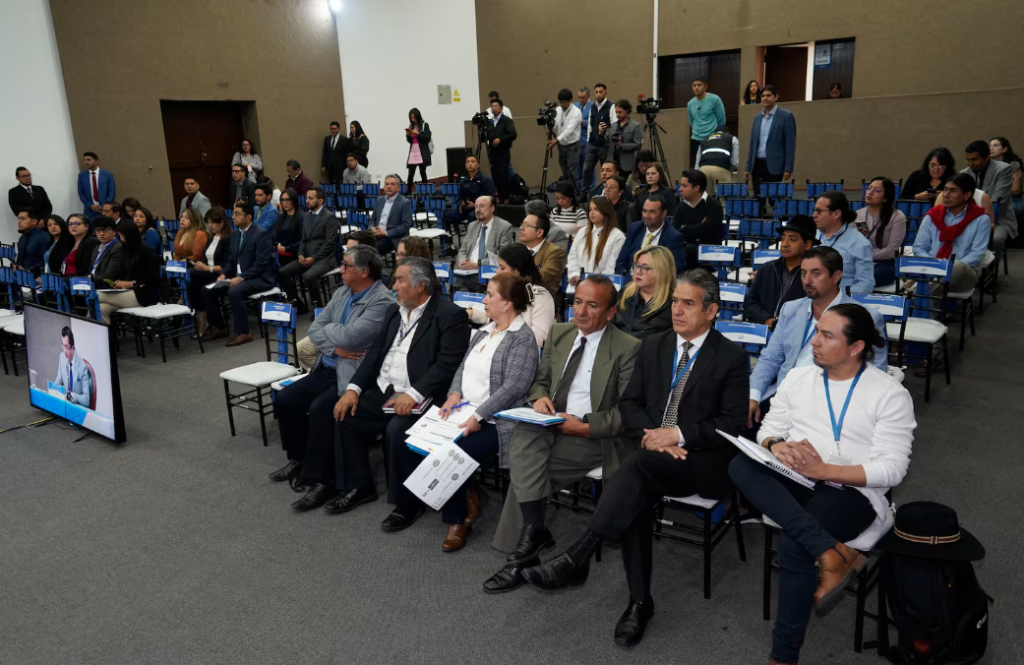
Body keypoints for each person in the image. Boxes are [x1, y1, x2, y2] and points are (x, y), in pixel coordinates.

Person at [518, 271, 749, 650]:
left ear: (711, 311)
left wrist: (677, 434)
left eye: (688, 303)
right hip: (649, 450)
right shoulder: (654, 345)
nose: (677, 310)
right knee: (636, 486)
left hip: (698, 458)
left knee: (634, 472)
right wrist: (653, 435)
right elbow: (630, 404)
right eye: (674, 301)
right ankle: (639, 602)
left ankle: (579, 558)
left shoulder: (731, 357)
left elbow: (732, 424)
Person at [732, 304, 915, 665]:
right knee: (740, 464)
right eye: (817, 331)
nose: (814, 341)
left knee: (794, 545)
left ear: (855, 347)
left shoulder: (889, 394)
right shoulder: (799, 378)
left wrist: (824, 469)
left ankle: (783, 656)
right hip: (798, 477)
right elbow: (770, 427)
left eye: (826, 335)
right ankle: (831, 552)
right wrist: (775, 445)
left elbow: (892, 470)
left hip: (854, 494)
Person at [482, 276, 641, 591]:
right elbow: (541, 380)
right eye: (577, 302)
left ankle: (522, 554)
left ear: (610, 312)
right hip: (550, 422)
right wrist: (539, 397)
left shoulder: (628, 347)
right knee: (523, 437)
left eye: (592, 305)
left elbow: (627, 412)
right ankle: (533, 537)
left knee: (526, 469)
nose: (580, 311)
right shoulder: (560, 332)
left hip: (592, 434)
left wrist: (584, 426)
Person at [292, 258, 470, 514]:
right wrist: (353, 389)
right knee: (345, 415)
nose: (393, 286)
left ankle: (408, 504)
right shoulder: (394, 311)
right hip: (384, 387)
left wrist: (414, 393)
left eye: (400, 280)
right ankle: (359, 486)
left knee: (397, 430)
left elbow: (446, 364)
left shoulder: (449, 315)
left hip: (421, 392)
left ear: (420, 285)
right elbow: (374, 354)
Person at [406, 273, 539, 551]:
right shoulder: (484, 330)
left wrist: (479, 416)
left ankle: (456, 521)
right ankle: (469, 493)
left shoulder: (523, 338)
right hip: (464, 409)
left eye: (490, 295)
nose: (484, 300)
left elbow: (514, 386)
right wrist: (454, 394)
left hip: (497, 420)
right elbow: (461, 366)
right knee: (418, 439)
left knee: (453, 453)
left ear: (507, 303)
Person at [270, 245, 394, 485]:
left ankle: (317, 475)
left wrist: (330, 330)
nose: (341, 270)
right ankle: (299, 458)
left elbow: (350, 337)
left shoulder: (382, 302)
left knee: (320, 409)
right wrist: (333, 347)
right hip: (329, 365)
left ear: (364, 271)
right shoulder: (343, 292)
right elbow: (316, 328)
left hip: (353, 374)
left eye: (346, 265)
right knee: (287, 399)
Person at [748, 246, 888, 432]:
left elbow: (875, 374)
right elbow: (771, 358)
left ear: (836, 276)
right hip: (784, 396)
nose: (807, 280)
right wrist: (753, 395)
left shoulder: (865, 317)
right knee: (736, 427)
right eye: (803, 273)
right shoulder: (791, 309)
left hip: (830, 404)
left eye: (816, 273)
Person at [201, 203, 277, 347]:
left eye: (237, 214)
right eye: (233, 213)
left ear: (248, 217)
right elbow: (231, 262)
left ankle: (244, 333)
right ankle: (220, 327)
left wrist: (241, 278)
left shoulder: (261, 234)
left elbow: (261, 264)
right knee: (207, 290)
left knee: (234, 292)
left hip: (260, 278)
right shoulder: (235, 235)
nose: (233, 217)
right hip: (239, 277)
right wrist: (224, 275)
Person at [913, 173, 991, 294]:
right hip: (931, 268)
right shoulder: (933, 215)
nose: (946, 195)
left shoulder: (981, 219)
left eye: (953, 191)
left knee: (956, 267)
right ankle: (923, 296)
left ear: (966, 195)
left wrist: (946, 267)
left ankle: (914, 293)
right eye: (945, 189)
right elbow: (919, 247)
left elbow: (976, 254)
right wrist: (934, 265)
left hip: (965, 273)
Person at [467, 244, 556, 348]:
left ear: (517, 271)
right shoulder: (509, 291)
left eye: (502, 268)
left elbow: (539, 339)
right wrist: (471, 313)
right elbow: (501, 315)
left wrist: (501, 343)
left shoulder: (540, 297)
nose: (497, 271)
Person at [743, 215, 816, 327]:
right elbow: (750, 302)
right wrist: (767, 320)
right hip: (765, 331)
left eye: (792, 239)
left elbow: (815, 310)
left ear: (807, 244)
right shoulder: (766, 269)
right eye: (783, 239)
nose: (785, 244)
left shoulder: (814, 276)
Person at [280, 186, 339, 311]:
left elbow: (329, 244)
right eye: (307, 198)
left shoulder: (329, 217)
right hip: (307, 257)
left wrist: (314, 258)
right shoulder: (307, 216)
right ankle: (298, 305)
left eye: (311, 198)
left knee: (308, 276)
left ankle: (318, 308)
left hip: (325, 259)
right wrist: (300, 254)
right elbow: (303, 239)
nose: (307, 201)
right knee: (282, 273)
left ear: (320, 201)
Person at [961, 140, 1015, 262]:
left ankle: (990, 268)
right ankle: (967, 266)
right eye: (968, 159)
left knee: (996, 240)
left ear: (987, 157)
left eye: (974, 159)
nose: (970, 164)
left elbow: (997, 201)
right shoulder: (964, 173)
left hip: (998, 219)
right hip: (969, 219)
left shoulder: (1004, 169)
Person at [97, 220, 161, 323]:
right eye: (120, 236)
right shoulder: (125, 250)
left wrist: (131, 283)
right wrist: (118, 283)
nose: (122, 239)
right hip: (126, 292)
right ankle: (104, 334)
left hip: (143, 295)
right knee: (100, 309)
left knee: (97, 295)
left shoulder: (146, 252)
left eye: (123, 236)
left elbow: (153, 279)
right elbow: (123, 273)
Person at [813, 191, 874, 294]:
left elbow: (865, 285)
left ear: (836, 214)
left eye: (819, 211)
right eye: (814, 210)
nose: (814, 215)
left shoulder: (859, 244)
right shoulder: (811, 235)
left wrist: (837, 296)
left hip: (840, 300)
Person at [611, 245, 675, 339]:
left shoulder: (672, 304)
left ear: (661, 271)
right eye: (637, 266)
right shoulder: (624, 294)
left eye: (645, 268)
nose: (638, 271)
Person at [744, 85, 797, 197]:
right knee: (758, 199)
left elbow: (790, 144)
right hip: (757, 165)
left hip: (775, 166)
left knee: (774, 200)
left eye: (768, 95)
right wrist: (748, 167)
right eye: (763, 96)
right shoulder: (757, 118)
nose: (765, 98)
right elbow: (753, 144)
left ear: (776, 97)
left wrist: (788, 168)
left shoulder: (786, 116)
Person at [456, 195, 516, 292]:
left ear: (492, 208)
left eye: (482, 206)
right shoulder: (472, 226)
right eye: (476, 207)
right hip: (468, 270)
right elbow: (463, 250)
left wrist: (478, 265)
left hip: (487, 271)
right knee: (458, 279)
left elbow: (503, 256)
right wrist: (462, 262)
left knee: (457, 279)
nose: (478, 210)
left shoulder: (504, 227)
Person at [188, 207, 233, 334]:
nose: (210, 225)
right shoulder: (211, 238)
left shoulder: (229, 238)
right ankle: (202, 316)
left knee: (203, 287)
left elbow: (227, 265)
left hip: (222, 274)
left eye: (213, 222)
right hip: (209, 272)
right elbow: (208, 259)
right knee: (192, 278)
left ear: (222, 222)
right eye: (209, 222)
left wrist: (207, 268)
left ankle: (216, 325)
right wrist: (201, 265)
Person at [615, 197, 686, 276]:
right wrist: (627, 280)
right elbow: (621, 261)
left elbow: (675, 270)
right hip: (631, 279)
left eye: (652, 212)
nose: (647, 216)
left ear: (664, 213)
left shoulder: (673, 237)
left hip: (656, 281)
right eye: (644, 211)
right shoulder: (635, 229)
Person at [855, 177, 906, 287]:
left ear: (886, 198)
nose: (870, 192)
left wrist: (867, 255)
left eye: (877, 190)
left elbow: (892, 250)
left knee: (869, 276)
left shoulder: (897, 217)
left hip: (885, 262)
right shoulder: (859, 215)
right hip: (860, 260)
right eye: (869, 188)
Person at [568, 197, 626, 283]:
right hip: (579, 281)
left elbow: (611, 266)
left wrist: (596, 283)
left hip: (603, 284)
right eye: (590, 209)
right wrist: (574, 274)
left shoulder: (617, 236)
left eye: (596, 209)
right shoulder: (582, 232)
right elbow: (573, 257)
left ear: (606, 211)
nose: (592, 213)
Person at [674, 169, 724, 268]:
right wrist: (698, 227)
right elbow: (675, 232)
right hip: (685, 253)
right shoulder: (681, 207)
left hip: (709, 254)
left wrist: (684, 228)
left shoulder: (714, 206)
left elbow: (707, 232)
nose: (680, 189)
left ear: (696, 188)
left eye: (684, 186)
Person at [517, 208, 566, 298]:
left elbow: (542, 278)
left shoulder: (555, 252)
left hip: (541, 299)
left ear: (539, 232)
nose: (521, 228)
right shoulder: (519, 249)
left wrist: (515, 276)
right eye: (522, 224)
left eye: (527, 225)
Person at [444, 154, 495, 229]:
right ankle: (448, 234)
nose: (470, 164)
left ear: (478, 165)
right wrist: (461, 204)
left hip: (481, 208)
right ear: (465, 166)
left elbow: (491, 197)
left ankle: (473, 235)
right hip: (466, 208)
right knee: (447, 216)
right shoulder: (464, 181)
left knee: (471, 216)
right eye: (468, 162)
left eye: (473, 162)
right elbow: (459, 196)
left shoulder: (485, 180)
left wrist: (475, 205)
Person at [687, 77, 727, 168]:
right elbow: (691, 121)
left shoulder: (715, 99)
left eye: (699, 85)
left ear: (705, 87)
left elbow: (721, 120)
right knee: (698, 165)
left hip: (712, 137)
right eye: (694, 85)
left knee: (712, 164)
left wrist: (716, 133)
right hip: (696, 138)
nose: (696, 88)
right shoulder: (690, 104)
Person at [370, 175, 414, 255]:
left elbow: (406, 225)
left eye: (392, 184)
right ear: (384, 187)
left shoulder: (404, 203)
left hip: (392, 237)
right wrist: (372, 228)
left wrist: (386, 233)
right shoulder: (380, 200)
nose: (389, 187)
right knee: (358, 244)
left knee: (372, 250)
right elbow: (373, 219)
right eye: (387, 184)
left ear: (398, 188)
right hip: (376, 234)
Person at [582, 83, 615, 191]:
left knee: (605, 171)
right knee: (587, 168)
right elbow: (590, 125)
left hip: (604, 145)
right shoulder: (593, 107)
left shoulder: (611, 106)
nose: (598, 94)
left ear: (605, 93)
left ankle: (606, 191)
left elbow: (614, 125)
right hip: (592, 144)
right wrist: (589, 140)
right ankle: (584, 192)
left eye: (601, 92)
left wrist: (605, 131)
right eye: (596, 92)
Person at [549, 88, 583, 189]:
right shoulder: (558, 110)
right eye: (560, 102)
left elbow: (569, 130)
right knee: (564, 170)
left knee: (572, 172)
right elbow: (555, 125)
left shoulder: (576, 112)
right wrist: (549, 123)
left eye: (563, 102)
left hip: (573, 145)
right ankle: (568, 191)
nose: (561, 105)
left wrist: (556, 140)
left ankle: (575, 193)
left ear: (570, 100)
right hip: (561, 145)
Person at [695, 126, 740, 197]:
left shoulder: (704, 140)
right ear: (727, 132)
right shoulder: (731, 138)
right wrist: (729, 171)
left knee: (704, 197)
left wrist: (697, 175)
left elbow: (697, 162)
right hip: (721, 168)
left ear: (714, 133)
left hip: (704, 169)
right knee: (723, 198)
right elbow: (735, 161)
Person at [56, 326, 94, 408]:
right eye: (63, 346)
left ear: (72, 348)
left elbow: (86, 400)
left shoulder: (82, 367)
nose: (64, 351)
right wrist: (52, 390)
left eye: (67, 347)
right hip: (65, 406)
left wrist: (71, 396)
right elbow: (58, 382)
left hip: (77, 409)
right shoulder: (62, 357)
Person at [487, 99, 517, 202]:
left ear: (501, 108)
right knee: (495, 174)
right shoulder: (490, 122)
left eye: (496, 106)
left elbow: (513, 134)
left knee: (504, 173)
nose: (494, 108)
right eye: (492, 106)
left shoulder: (506, 120)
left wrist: (500, 139)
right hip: (493, 152)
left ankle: (506, 196)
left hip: (503, 151)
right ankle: (499, 195)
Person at [605, 100, 642, 176]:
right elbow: (605, 141)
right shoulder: (612, 125)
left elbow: (638, 145)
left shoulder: (635, 126)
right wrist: (601, 133)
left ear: (627, 111)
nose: (618, 115)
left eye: (620, 112)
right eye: (616, 112)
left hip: (626, 163)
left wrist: (622, 145)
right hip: (612, 161)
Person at [990, 136, 1023, 218]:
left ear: (1004, 149)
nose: (991, 148)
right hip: (993, 200)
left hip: (1012, 200)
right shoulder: (988, 166)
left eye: (995, 145)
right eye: (990, 146)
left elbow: (1016, 190)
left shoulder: (1013, 165)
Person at [77, 152, 116, 221]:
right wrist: (90, 205)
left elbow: (111, 192)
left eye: (88, 160)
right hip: (90, 211)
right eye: (84, 160)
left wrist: (103, 206)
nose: (86, 162)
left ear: (96, 161)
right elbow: (81, 193)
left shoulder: (107, 174)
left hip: (105, 210)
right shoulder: (82, 176)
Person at [15, 208, 51, 276]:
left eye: (23, 219)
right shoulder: (22, 238)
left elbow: (46, 261)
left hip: (37, 277)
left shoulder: (43, 237)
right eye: (18, 219)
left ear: (34, 221)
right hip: (21, 276)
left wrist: (26, 270)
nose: (19, 222)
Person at [88, 216, 122, 287]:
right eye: (98, 230)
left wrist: (88, 280)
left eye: (106, 229)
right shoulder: (96, 248)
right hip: (92, 284)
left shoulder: (118, 248)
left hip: (106, 287)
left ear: (114, 231)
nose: (101, 233)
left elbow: (109, 275)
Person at [273, 188, 304, 263]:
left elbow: (303, 240)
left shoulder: (301, 217)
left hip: (294, 255)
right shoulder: (280, 217)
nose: (285, 203)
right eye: (282, 200)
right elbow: (274, 236)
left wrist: (286, 248)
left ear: (294, 200)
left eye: (288, 200)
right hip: (279, 253)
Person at [405, 108, 432, 192]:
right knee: (410, 174)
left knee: (422, 173)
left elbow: (427, 138)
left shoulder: (424, 125)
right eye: (411, 118)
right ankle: (408, 192)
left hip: (421, 152)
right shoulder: (411, 126)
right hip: (413, 152)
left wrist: (418, 134)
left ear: (418, 116)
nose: (413, 120)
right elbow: (410, 141)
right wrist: (408, 135)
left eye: (414, 117)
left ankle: (425, 192)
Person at [575, 87, 594, 189]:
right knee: (578, 167)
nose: (581, 100)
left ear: (588, 96)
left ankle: (590, 188)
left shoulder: (594, 107)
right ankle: (579, 188)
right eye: (579, 97)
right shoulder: (575, 106)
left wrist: (584, 122)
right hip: (576, 142)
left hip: (587, 142)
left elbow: (597, 124)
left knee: (589, 167)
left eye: (583, 97)